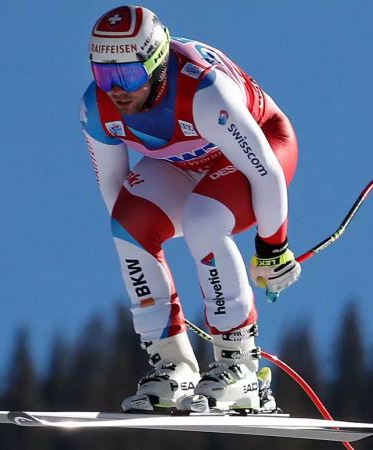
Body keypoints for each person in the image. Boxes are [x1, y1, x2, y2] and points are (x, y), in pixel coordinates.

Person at [79, 5, 301, 413]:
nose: (116, 89)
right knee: (127, 225)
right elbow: (116, 192)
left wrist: (274, 248)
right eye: (103, 75)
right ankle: (173, 366)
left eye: (127, 75)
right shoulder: (97, 109)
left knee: (203, 222)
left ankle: (241, 367)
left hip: (259, 153)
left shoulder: (203, 94)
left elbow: (266, 173)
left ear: (157, 64)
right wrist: (149, 254)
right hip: (182, 162)